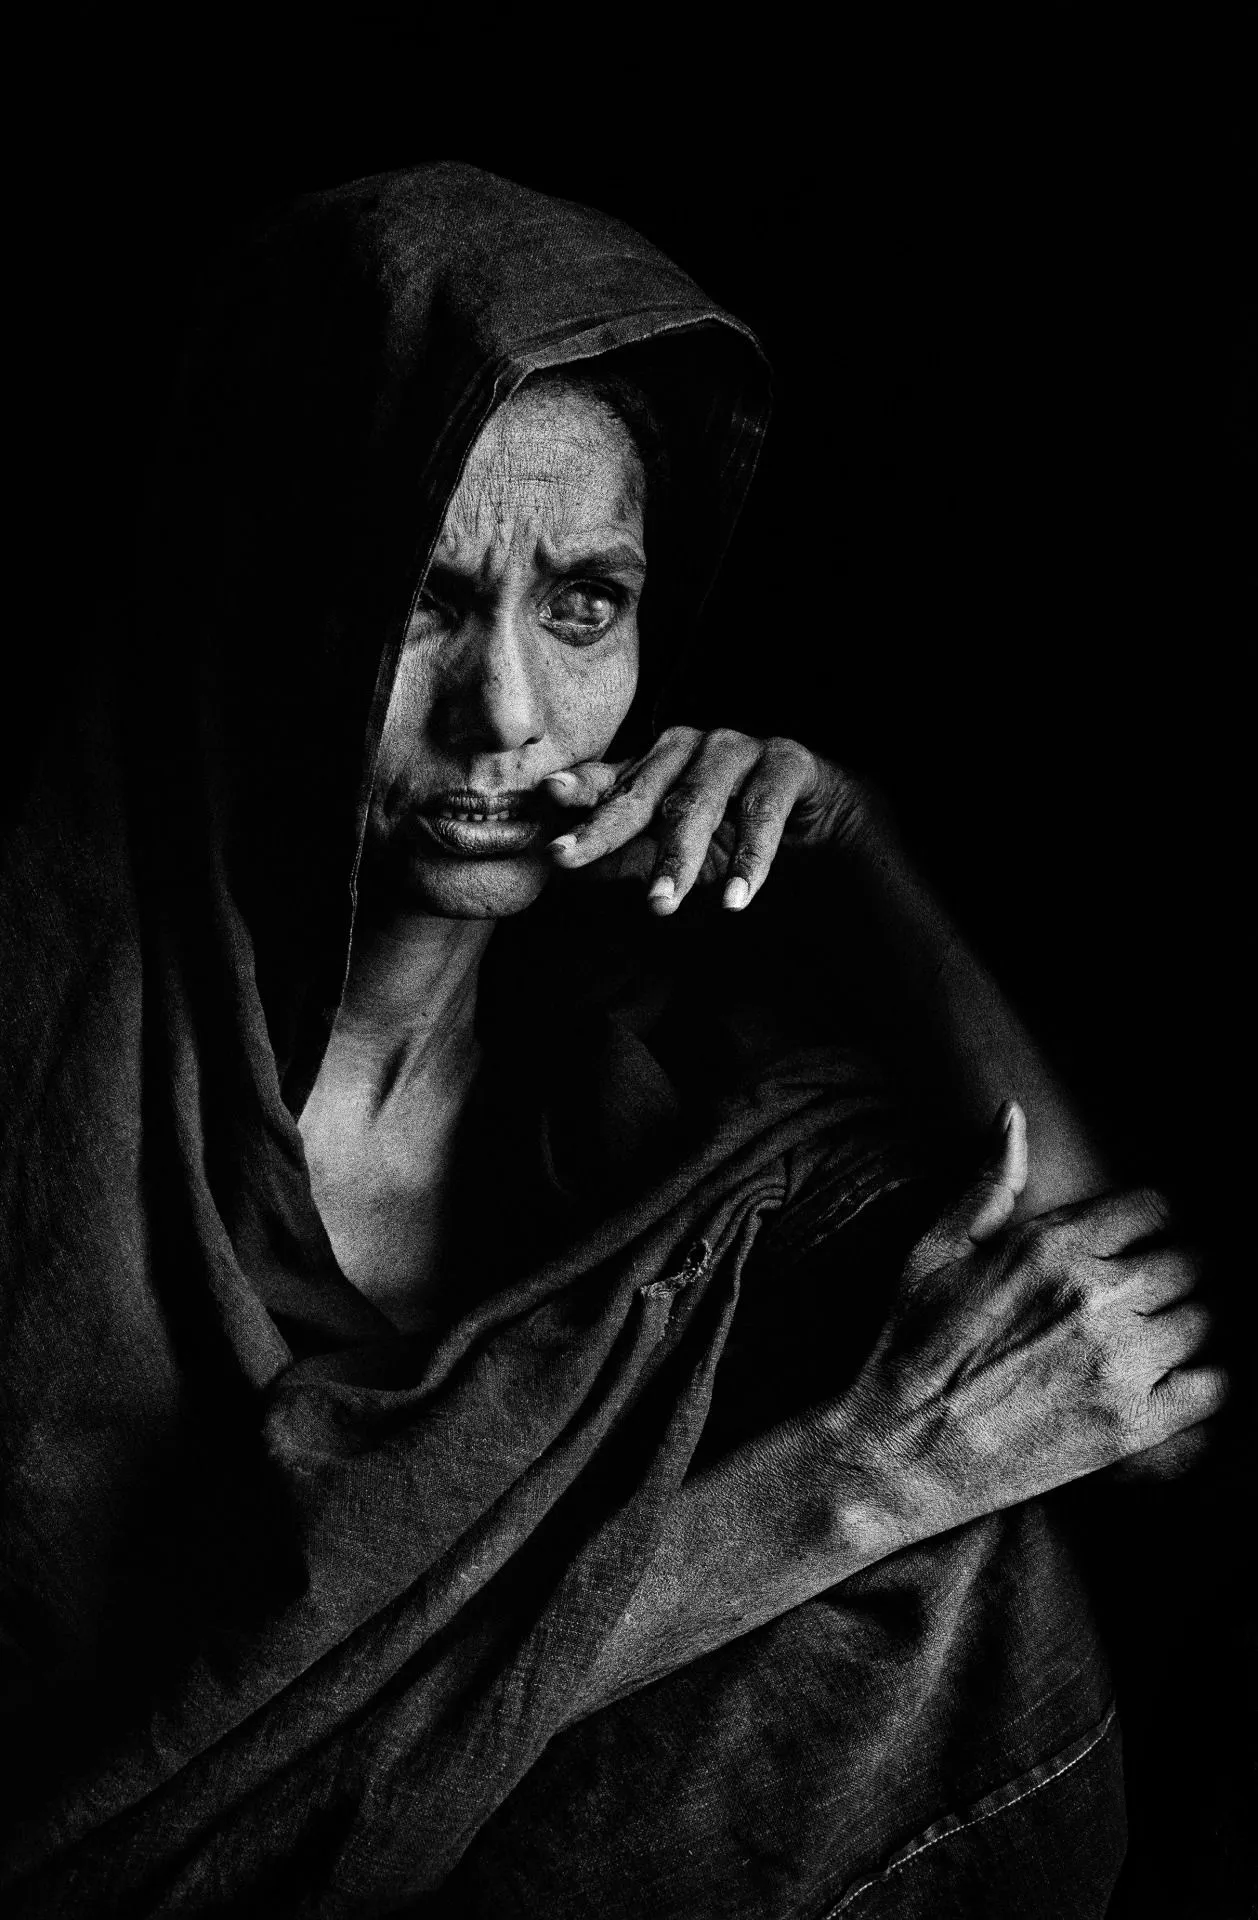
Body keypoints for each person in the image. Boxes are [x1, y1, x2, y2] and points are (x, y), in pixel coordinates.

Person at [0, 163, 1225, 1918]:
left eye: (582, 604)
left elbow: (1125, 1394)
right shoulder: (51, 1099)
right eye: (415, 602)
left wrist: (853, 852)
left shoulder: (664, 1075)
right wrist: (848, 1484)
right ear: (254, 598)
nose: (505, 709)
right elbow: (129, 1838)